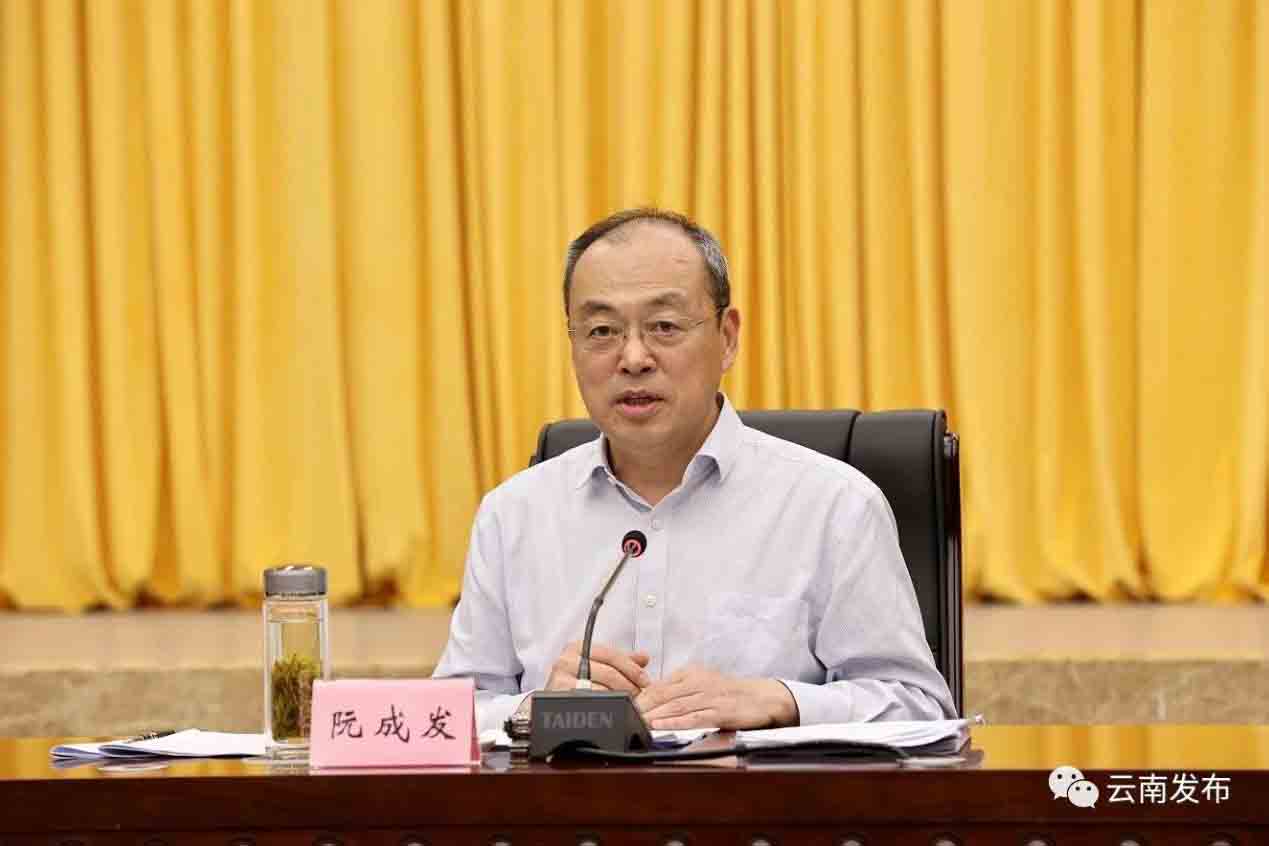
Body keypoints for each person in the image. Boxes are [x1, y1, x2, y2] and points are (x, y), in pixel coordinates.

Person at [433, 208, 956, 733]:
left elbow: (920, 708)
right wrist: (537, 709)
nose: (633, 358)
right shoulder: (513, 515)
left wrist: (781, 701)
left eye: (664, 326)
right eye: (601, 330)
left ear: (727, 338)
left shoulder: (833, 506)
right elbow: (447, 720)